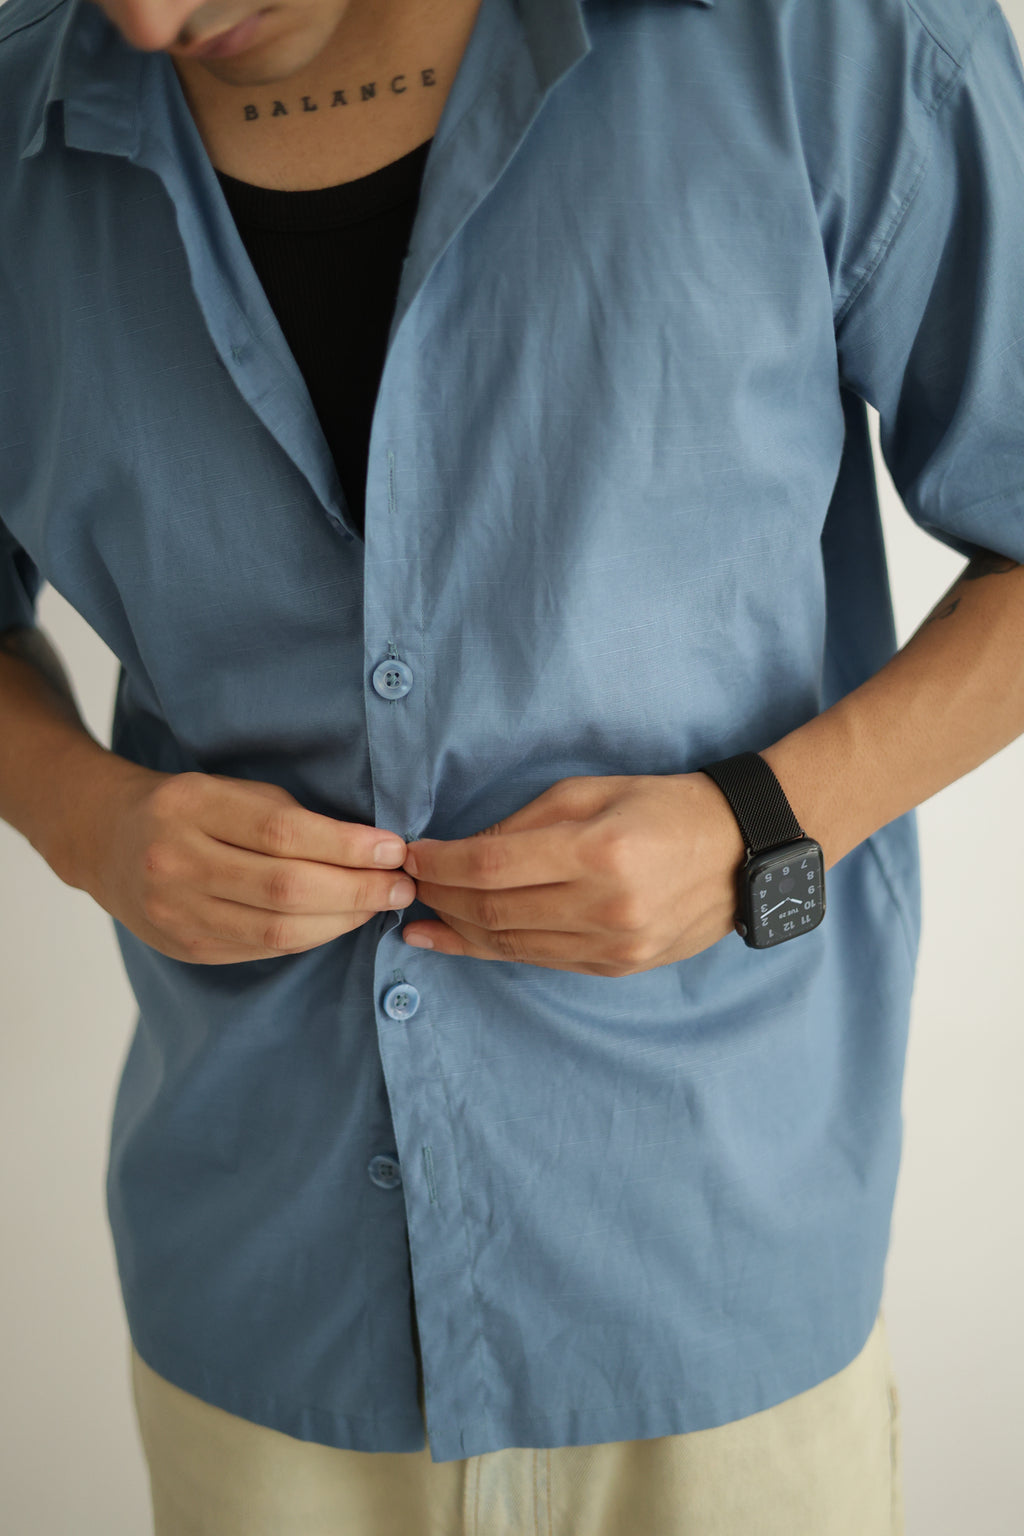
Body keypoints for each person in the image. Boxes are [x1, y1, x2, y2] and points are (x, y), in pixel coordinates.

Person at [1, 0, 1023, 1526]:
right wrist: (84, 816)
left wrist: (758, 830)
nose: (148, 19)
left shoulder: (830, 42)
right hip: (259, 1316)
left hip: (710, 1295)